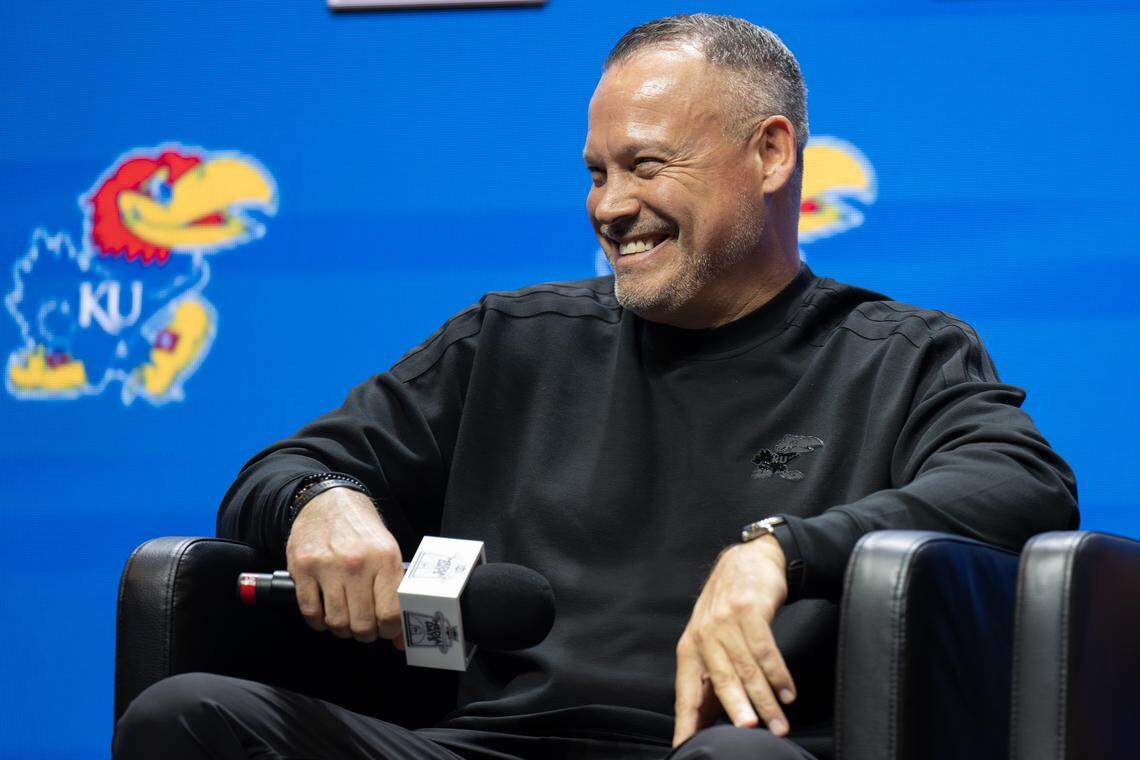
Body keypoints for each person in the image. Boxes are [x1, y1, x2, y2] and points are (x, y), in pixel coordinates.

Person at [112, 13, 1077, 760]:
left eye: (647, 166)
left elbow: (1024, 486)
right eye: (597, 172)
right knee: (188, 717)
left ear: (772, 154)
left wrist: (782, 550)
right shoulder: (512, 340)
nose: (611, 207)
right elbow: (285, 469)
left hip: (725, 748)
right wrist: (320, 501)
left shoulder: (897, 355)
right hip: (489, 744)